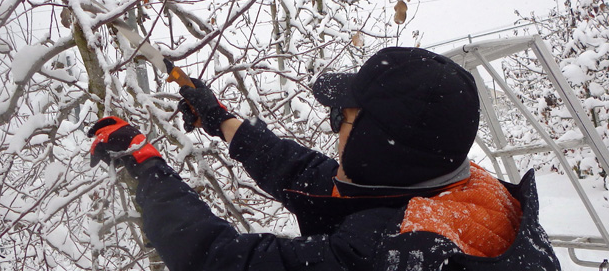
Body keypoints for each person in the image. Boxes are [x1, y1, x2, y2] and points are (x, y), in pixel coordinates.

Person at [87, 47, 561, 270]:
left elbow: (221, 260)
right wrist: (221, 120)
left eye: (342, 117)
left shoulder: (387, 253)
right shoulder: (456, 185)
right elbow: (310, 179)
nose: (332, 124)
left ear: (377, 145)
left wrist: (145, 164)